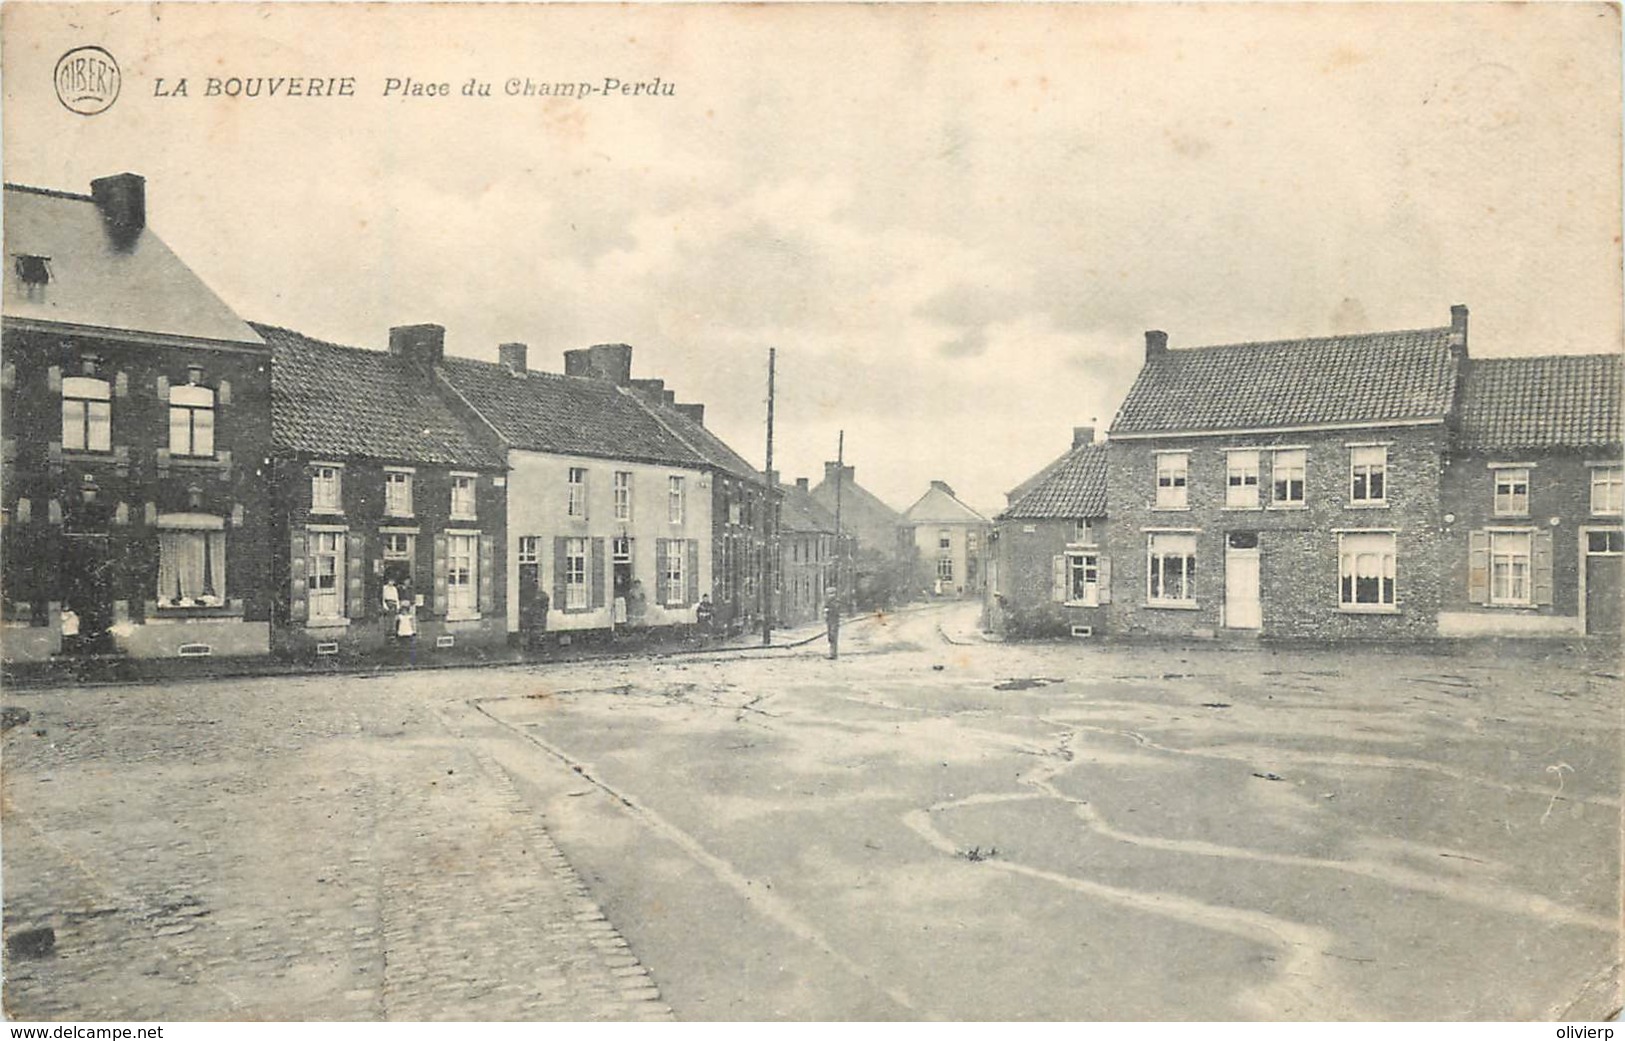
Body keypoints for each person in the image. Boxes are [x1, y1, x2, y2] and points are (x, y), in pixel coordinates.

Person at [824, 587, 841, 660]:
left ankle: (833, 654)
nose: (830, 596)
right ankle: (832, 653)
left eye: (831, 594)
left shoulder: (835, 602)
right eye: (828, 594)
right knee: (830, 637)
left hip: (834, 621)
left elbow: (836, 610)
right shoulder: (828, 602)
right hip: (829, 621)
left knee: (833, 637)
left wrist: (828, 610)